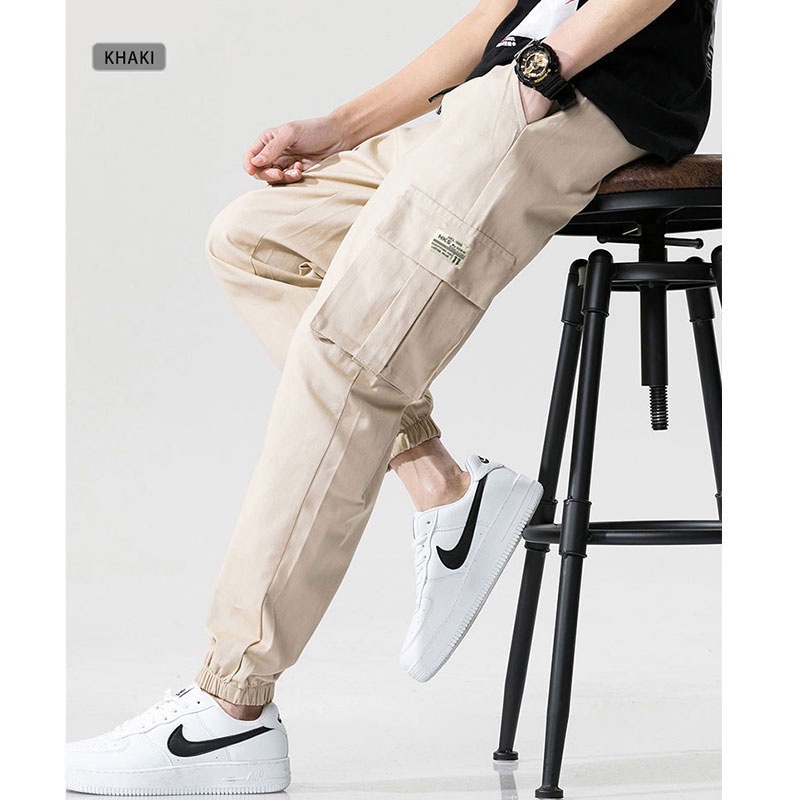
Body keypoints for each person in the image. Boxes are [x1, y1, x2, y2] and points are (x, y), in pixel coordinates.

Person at [66, 0, 716, 794]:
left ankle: (230, 707)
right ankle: (447, 492)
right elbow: (491, 18)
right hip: (497, 94)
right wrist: (340, 127)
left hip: (579, 99)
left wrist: (542, 71)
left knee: (348, 350)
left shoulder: (555, 78)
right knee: (256, 238)